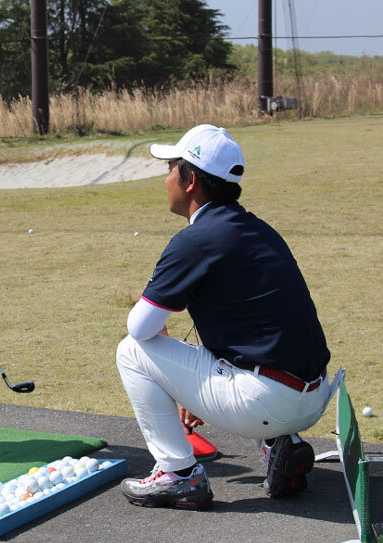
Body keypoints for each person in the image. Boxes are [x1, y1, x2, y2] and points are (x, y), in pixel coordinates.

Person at [115, 124, 340, 509]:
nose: (166, 177)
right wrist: (192, 385)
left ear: (189, 180)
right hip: (314, 396)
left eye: (171, 167)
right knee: (246, 352)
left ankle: (178, 475)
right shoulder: (258, 228)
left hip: (267, 401)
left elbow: (141, 327)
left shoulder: (194, 240)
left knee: (131, 350)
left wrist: (184, 383)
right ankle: (281, 446)